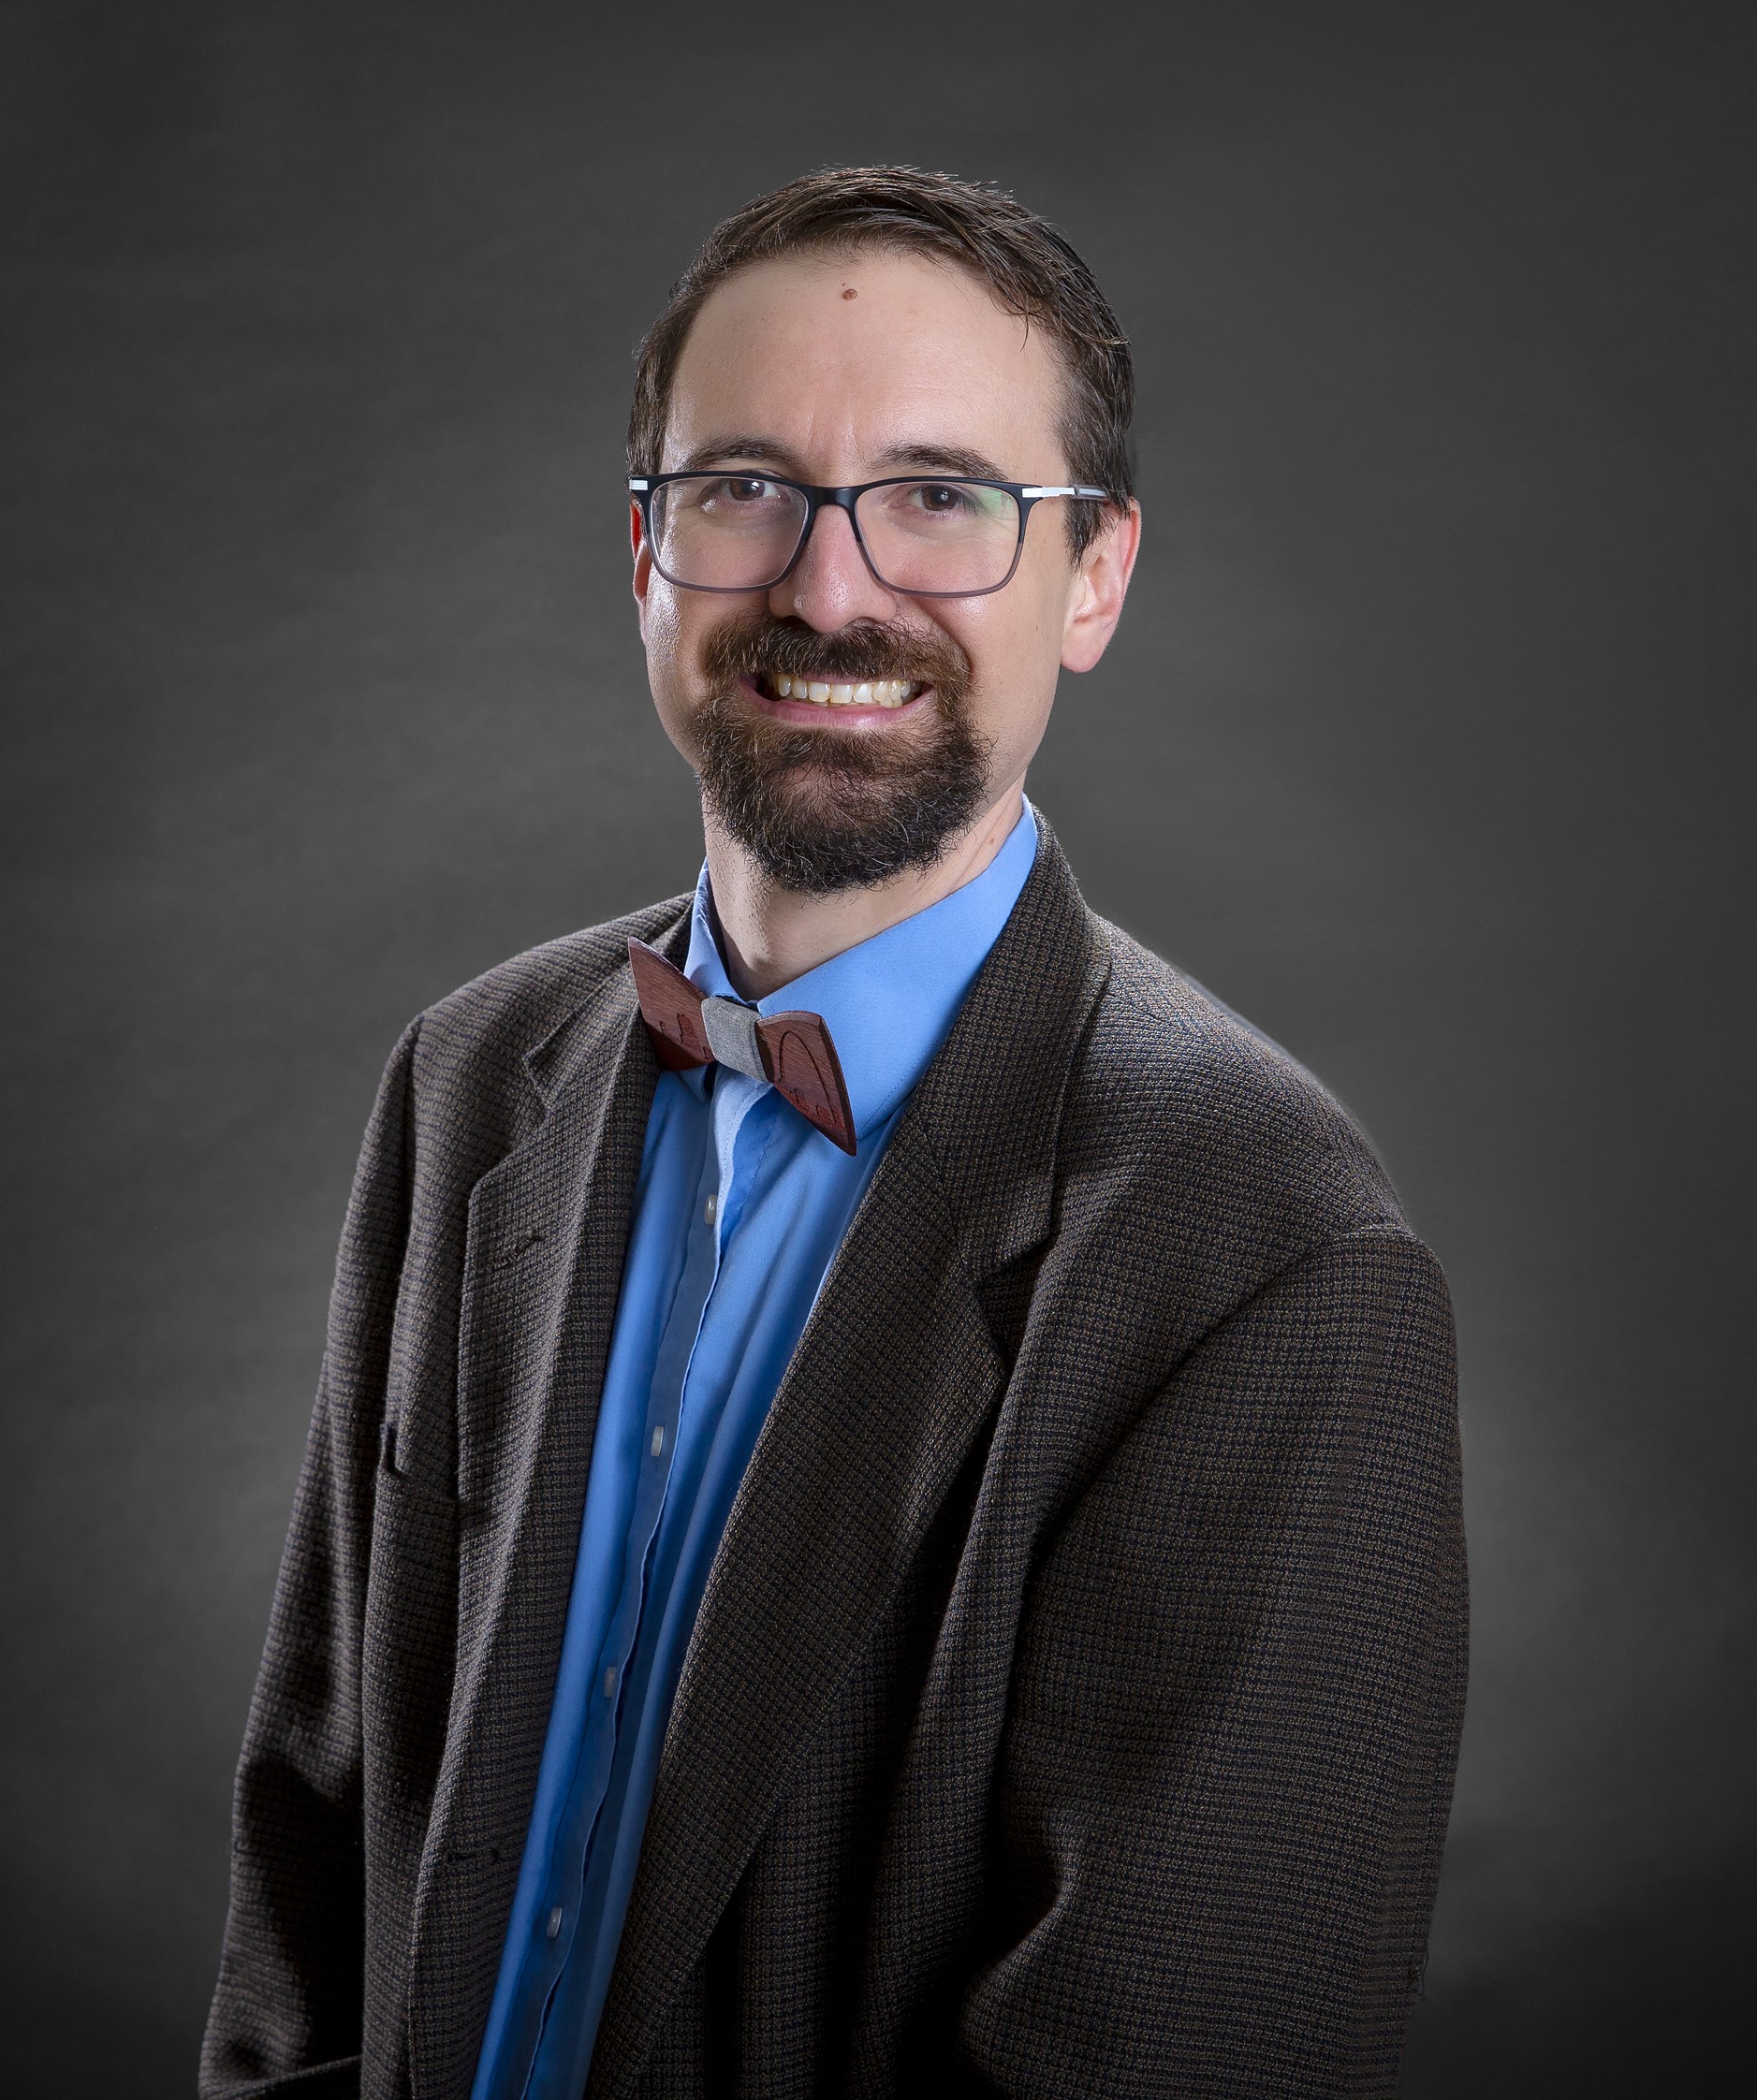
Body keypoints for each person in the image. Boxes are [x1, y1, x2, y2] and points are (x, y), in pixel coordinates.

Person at [201, 166, 1466, 2100]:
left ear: (1096, 577)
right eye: (746, 488)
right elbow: (315, 1867)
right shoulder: (469, 1077)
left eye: (941, 497)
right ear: (648, 552)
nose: (828, 587)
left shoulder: (1271, 1254)